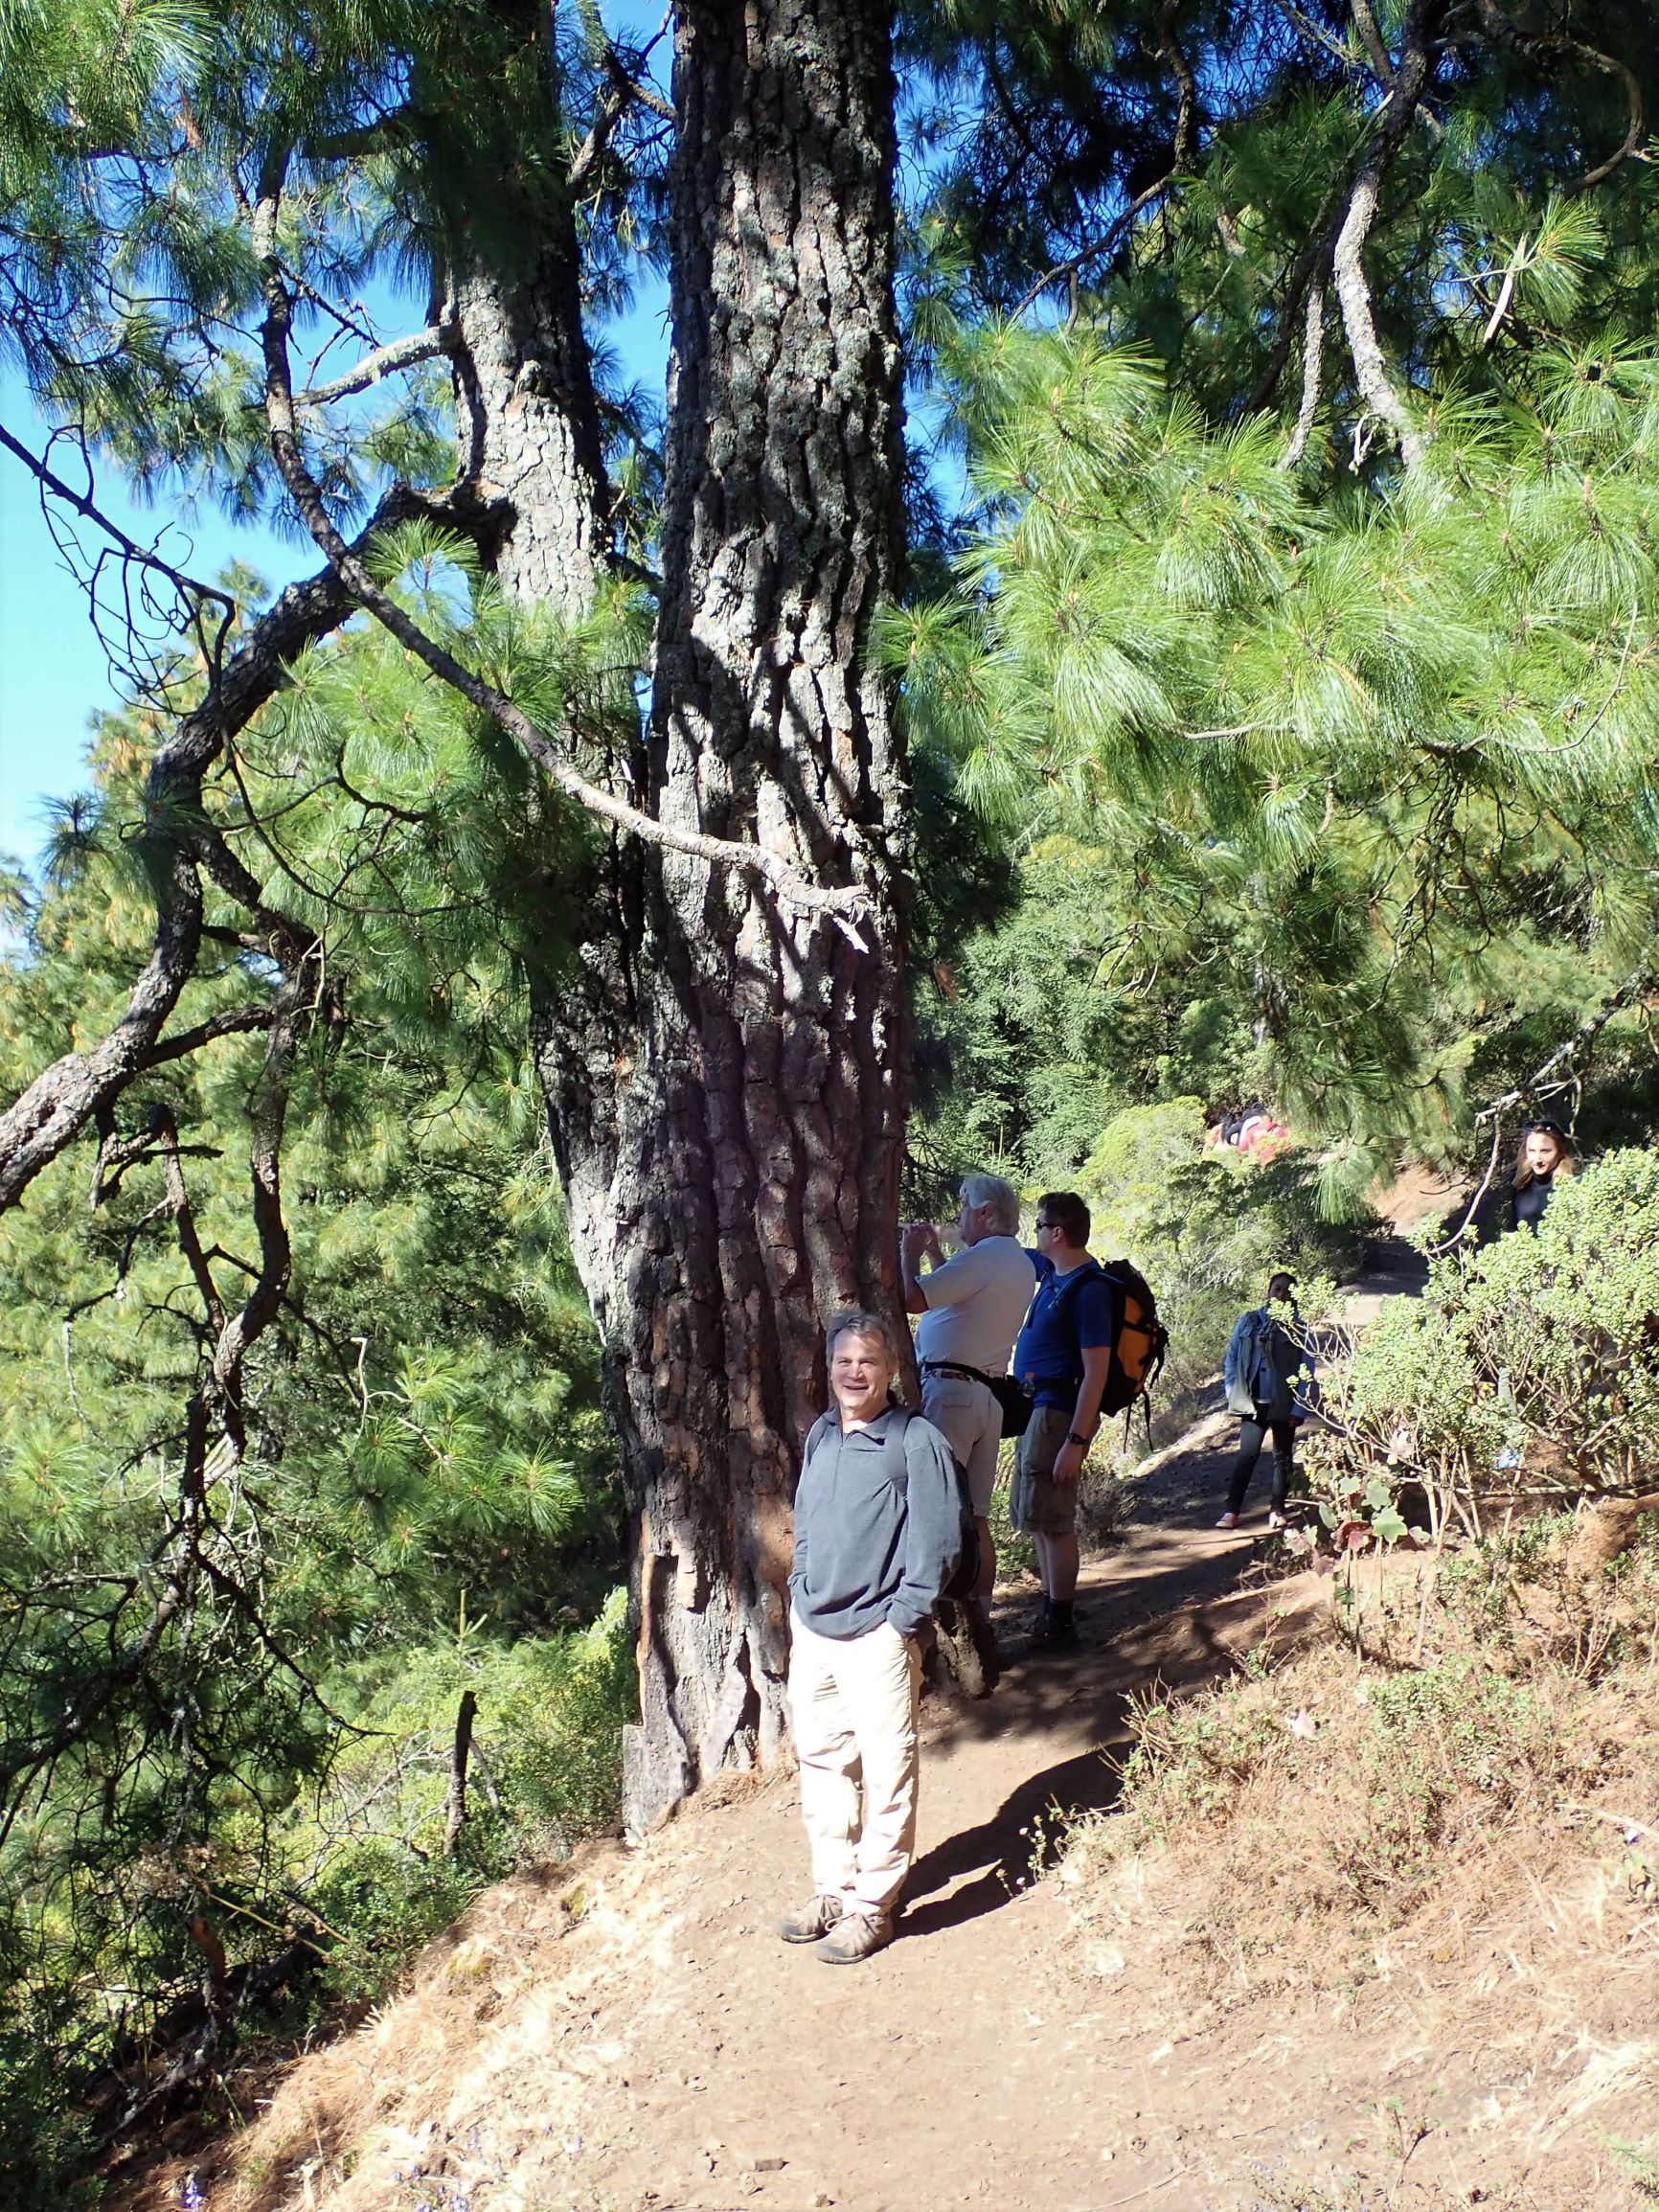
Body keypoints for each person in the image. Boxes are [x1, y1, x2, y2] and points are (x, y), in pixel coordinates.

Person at [779, 1310, 962, 1965]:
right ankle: (833, 1887)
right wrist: (801, 1591)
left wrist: (902, 1618)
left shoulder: (915, 1440)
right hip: (816, 1631)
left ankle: (872, 1906)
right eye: (844, 1359)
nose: (855, 1371)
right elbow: (805, 1522)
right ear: (829, 1368)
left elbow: (941, 1541)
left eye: (869, 1360)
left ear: (891, 1370)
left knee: (887, 1770)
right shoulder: (822, 1433)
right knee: (823, 1763)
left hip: (878, 1634)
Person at [900, 1173, 1036, 1601]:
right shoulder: (1015, 1260)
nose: (958, 1216)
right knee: (976, 1515)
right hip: (986, 1395)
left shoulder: (983, 1257)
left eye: (963, 1206)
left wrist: (908, 1256)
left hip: (951, 1392)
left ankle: (931, 1605)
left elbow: (913, 1300)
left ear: (985, 1212)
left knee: (931, 1501)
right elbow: (962, 1296)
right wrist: (937, 1253)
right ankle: (978, 1616)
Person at [1009, 1192, 1119, 1653]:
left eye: (1038, 1226)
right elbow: (1011, 1253)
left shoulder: (1090, 1290)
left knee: (1054, 1521)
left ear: (1057, 1233)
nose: (1033, 1234)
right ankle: (1053, 1615)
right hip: (1038, 1411)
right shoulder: (1054, 1274)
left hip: (1059, 1415)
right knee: (1038, 1516)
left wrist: (1076, 1439)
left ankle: (1061, 1623)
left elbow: (1096, 1371)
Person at [1216, 1271, 1311, 1532]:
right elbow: (1232, 1358)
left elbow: (1307, 1369)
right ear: (1268, 1291)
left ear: (1294, 1297)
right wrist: (1232, 1391)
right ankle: (1231, 1512)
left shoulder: (1299, 1329)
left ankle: (1278, 1510)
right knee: (1246, 1455)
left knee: (1282, 1457)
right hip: (1252, 1401)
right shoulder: (1248, 1322)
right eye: (1277, 1289)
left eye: (1287, 1291)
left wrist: (1299, 1407)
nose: (1281, 1295)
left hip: (1283, 1402)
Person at [1511, 1119, 1574, 1232]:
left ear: (1560, 1151)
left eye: (1545, 1151)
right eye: (1532, 1151)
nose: (1538, 1159)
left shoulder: (1572, 1188)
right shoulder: (1520, 1185)